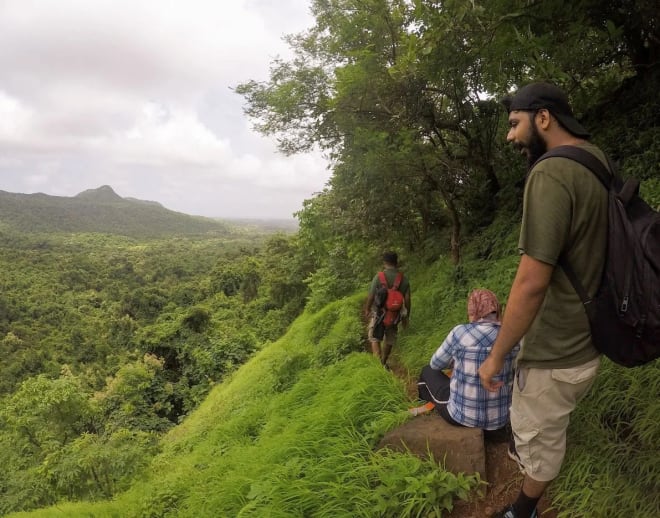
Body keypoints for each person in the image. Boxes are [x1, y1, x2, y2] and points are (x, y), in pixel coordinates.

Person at [478, 82, 607, 518]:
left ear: (544, 118)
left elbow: (531, 282)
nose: (510, 136)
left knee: (540, 440)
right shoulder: (595, 161)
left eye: (515, 123)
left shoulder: (550, 173)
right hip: (592, 334)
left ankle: (522, 510)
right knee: (546, 427)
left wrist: (496, 357)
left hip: (556, 350)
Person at [428, 289, 519, 437]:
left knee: (428, 372)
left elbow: (435, 364)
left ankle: (424, 403)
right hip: (499, 422)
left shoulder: (459, 332)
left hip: (462, 418)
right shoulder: (511, 336)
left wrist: (457, 361)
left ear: (473, 310)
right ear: (496, 309)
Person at [363, 251, 411, 368]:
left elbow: (371, 295)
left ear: (384, 262)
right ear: (396, 262)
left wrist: (367, 309)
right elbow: (408, 300)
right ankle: (384, 361)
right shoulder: (403, 279)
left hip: (379, 313)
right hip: (394, 315)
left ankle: (378, 363)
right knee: (390, 338)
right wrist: (406, 317)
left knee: (374, 337)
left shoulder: (379, 277)